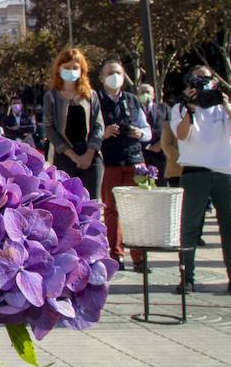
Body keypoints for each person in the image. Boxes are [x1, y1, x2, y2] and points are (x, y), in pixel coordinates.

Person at [171, 66, 231, 296]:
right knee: (189, 226)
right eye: (198, 78)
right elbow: (181, 134)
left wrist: (227, 105)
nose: (202, 82)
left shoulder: (221, 108)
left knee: (230, 225)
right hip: (195, 170)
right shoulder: (180, 107)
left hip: (224, 170)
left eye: (207, 78)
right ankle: (186, 278)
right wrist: (189, 109)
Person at [97, 59, 152, 271]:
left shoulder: (132, 100)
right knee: (111, 210)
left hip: (134, 159)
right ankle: (116, 253)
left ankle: (139, 256)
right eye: (110, 73)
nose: (115, 76)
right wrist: (104, 133)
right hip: (109, 161)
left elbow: (146, 129)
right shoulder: (96, 100)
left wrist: (140, 134)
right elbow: (88, 132)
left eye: (118, 72)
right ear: (101, 77)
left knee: (138, 210)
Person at [43, 47, 104, 199]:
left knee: (92, 202)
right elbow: (50, 129)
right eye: (67, 67)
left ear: (82, 70)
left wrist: (89, 154)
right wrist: (74, 157)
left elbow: (98, 126)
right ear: (59, 69)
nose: (71, 71)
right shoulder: (51, 96)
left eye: (75, 68)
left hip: (91, 157)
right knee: (68, 203)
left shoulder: (90, 96)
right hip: (64, 156)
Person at [136, 82, 169, 186]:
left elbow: (171, 128)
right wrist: (147, 146)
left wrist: (161, 143)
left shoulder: (164, 108)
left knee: (161, 187)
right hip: (142, 155)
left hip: (160, 154)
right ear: (137, 95)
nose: (145, 94)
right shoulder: (134, 110)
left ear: (153, 94)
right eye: (142, 92)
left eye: (148, 92)